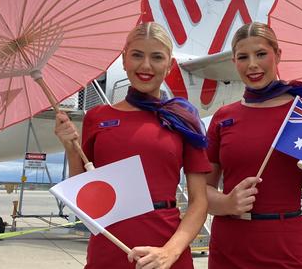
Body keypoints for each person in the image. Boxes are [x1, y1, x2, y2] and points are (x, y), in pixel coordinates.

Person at [54, 22, 210, 269]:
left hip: (167, 250)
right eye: (137, 55)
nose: (145, 65)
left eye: (157, 57)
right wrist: (71, 148)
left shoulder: (183, 118)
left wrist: (169, 252)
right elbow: (82, 194)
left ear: (169, 66)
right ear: (124, 60)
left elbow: (199, 202)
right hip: (109, 248)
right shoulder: (97, 117)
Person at [205, 22, 302, 268]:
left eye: (261, 54)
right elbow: (201, 191)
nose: (252, 64)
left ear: (277, 55)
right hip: (229, 245)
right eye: (243, 57)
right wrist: (226, 203)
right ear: (234, 62)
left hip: (285, 245)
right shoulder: (223, 117)